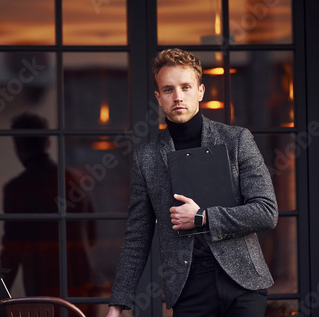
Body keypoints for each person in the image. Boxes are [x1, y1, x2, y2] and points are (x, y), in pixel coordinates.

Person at [106, 48, 278, 317]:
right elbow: (137, 236)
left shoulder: (237, 140)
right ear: (158, 98)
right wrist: (118, 303)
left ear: (200, 91)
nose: (178, 97)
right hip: (189, 288)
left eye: (186, 87)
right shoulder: (146, 158)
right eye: (168, 90)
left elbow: (266, 212)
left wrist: (203, 217)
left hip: (243, 283)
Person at [0, 113, 97, 315]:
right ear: (48, 141)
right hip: (81, 280)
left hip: (41, 283)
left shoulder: (18, 188)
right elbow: (92, 235)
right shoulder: (75, 181)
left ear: (18, 146)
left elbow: (12, 250)